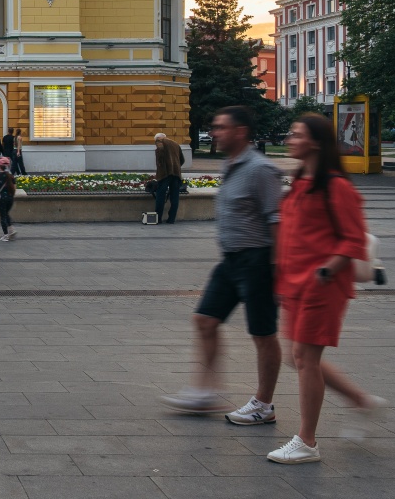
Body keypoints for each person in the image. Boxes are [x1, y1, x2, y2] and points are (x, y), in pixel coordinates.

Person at [266, 113, 382, 464]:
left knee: (304, 359)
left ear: (315, 142)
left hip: (321, 286)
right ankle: (362, 402)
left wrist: (326, 271)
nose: (289, 139)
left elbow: (352, 240)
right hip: (295, 285)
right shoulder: (300, 183)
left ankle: (307, 441)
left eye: (296, 134)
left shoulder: (337, 187)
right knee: (298, 358)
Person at [160, 105, 283, 424]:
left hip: (258, 261)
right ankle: (204, 393)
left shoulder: (261, 169)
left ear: (240, 132)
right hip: (231, 262)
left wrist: (277, 268)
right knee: (204, 320)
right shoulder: (231, 164)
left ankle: (263, 404)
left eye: (220, 127)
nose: (214, 133)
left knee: (263, 335)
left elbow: (276, 219)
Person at [153, 132, 184, 224]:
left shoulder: (160, 141)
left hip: (165, 174)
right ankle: (171, 219)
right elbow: (182, 160)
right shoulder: (176, 144)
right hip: (176, 174)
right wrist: (176, 167)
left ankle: (158, 219)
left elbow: (160, 156)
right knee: (174, 196)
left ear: (158, 138)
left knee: (160, 196)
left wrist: (160, 166)